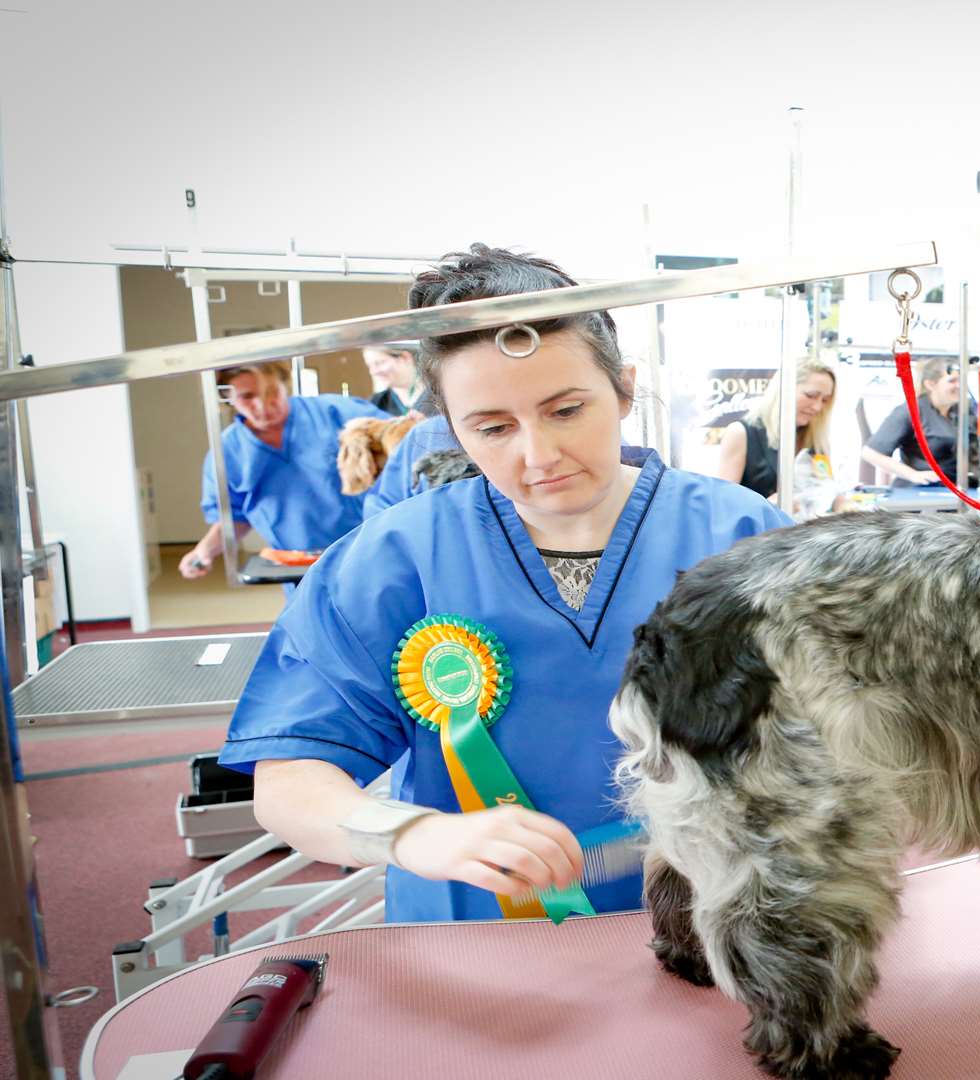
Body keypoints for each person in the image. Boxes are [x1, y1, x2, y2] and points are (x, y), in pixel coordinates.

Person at [217, 245, 790, 923]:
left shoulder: (744, 536)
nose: (538, 455)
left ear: (625, 388)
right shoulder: (396, 558)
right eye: (491, 427)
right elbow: (288, 786)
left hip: (716, 928)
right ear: (449, 429)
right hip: (476, 939)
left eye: (566, 410)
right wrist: (412, 834)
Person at [178, 363, 387, 582]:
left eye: (272, 392)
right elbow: (234, 519)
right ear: (226, 396)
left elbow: (398, 441)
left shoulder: (335, 413)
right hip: (300, 568)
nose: (263, 405)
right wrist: (203, 551)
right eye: (247, 396)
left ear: (284, 385)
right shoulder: (229, 451)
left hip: (369, 550)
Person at [705, 356, 846, 520]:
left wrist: (843, 505)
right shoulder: (741, 434)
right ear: (784, 389)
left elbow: (825, 486)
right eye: (811, 395)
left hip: (804, 539)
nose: (817, 407)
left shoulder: (816, 440)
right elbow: (722, 506)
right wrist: (765, 506)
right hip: (759, 539)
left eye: (825, 400)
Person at [861, 356, 980, 487]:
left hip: (955, 489)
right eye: (952, 381)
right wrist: (912, 475)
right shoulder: (911, 411)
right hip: (918, 492)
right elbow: (870, 453)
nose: (959, 386)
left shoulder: (963, 412)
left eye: (961, 381)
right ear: (930, 384)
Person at [362, 344, 429, 416]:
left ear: (405, 357)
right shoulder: (376, 403)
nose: (373, 372)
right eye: (369, 366)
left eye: (379, 363)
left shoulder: (438, 393)